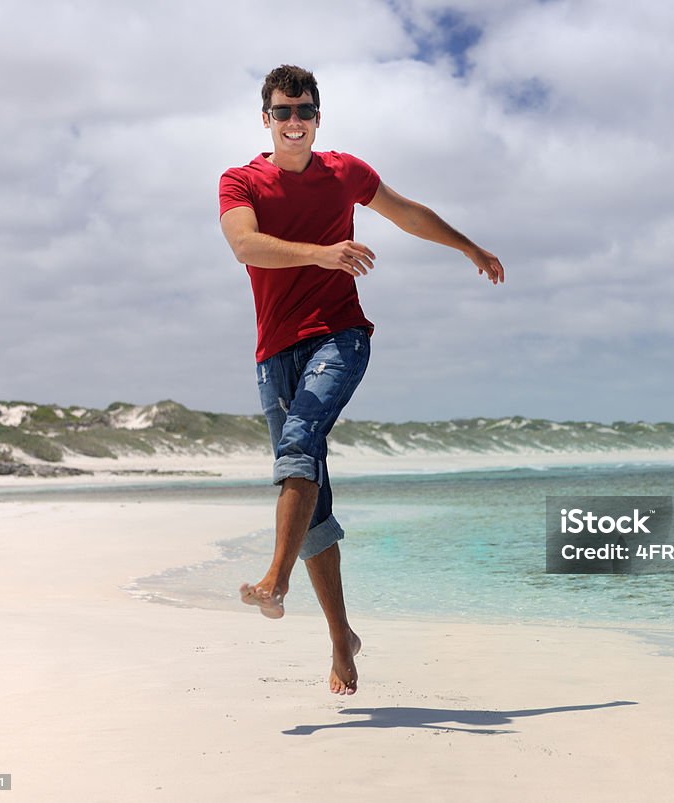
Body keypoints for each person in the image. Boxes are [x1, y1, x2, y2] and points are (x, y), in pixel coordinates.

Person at [218, 65, 504, 695]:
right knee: (312, 502)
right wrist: (322, 253)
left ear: (318, 118)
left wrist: (469, 247)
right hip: (275, 355)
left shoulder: (345, 172)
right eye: (284, 111)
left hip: (340, 335)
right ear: (265, 118)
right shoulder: (240, 181)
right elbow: (245, 246)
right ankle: (341, 637)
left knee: (299, 445)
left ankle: (275, 580)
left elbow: (406, 213)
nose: (296, 122)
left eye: (306, 111)